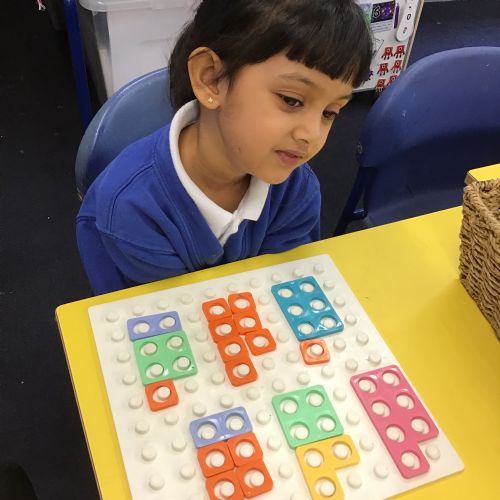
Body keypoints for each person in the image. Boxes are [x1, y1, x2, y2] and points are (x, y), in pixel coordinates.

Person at [77, 0, 372, 295]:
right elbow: (165, 314)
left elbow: (285, 289)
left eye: (330, 113)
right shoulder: (131, 208)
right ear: (211, 79)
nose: (311, 134)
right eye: (291, 100)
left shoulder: (296, 189)